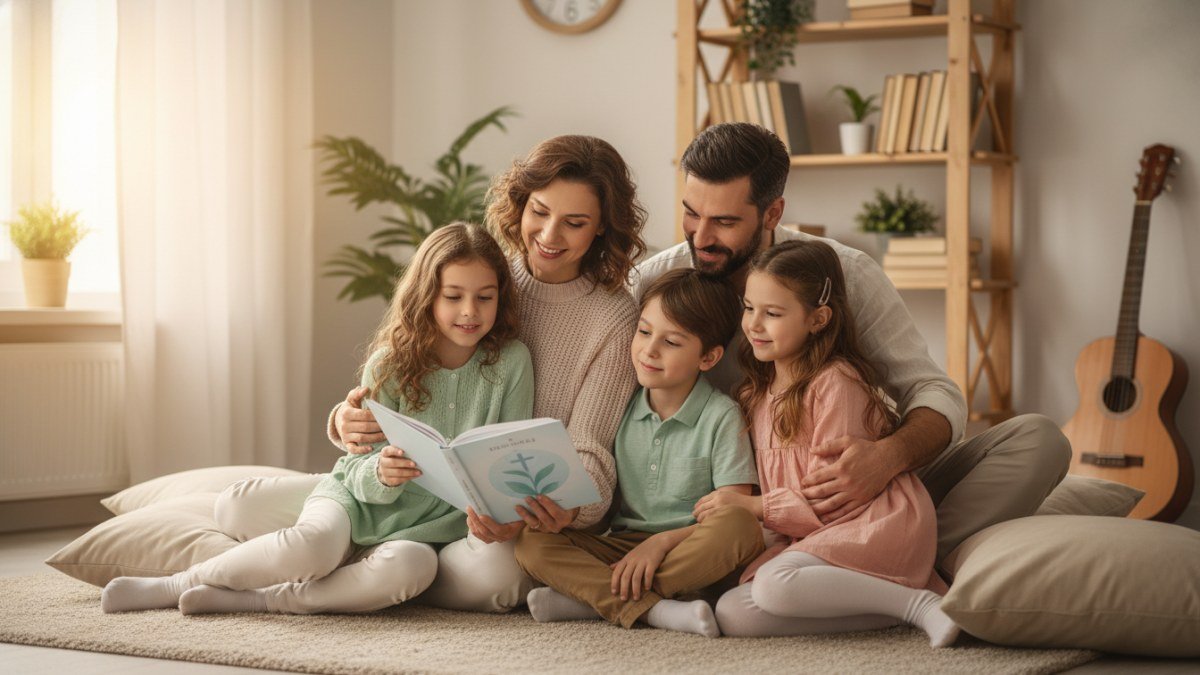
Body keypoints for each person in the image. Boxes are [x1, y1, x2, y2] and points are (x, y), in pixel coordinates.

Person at [631, 122, 1071, 571]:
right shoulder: (654, 281)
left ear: (772, 213)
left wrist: (886, 458)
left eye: (724, 222)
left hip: (852, 494)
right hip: (737, 511)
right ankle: (877, 562)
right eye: (691, 213)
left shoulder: (845, 274)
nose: (700, 238)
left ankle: (885, 554)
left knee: (1038, 439)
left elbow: (932, 391)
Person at [100, 223, 534, 615]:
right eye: (453, 296)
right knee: (311, 546)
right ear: (427, 296)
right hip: (357, 503)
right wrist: (382, 474)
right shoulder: (391, 363)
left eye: (485, 297)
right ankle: (176, 583)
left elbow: (505, 458)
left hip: (426, 535)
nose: (470, 312)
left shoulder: (512, 362)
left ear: (501, 296)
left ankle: (264, 600)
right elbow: (358, 464)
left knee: (410, 567)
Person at [316, 135, 647, 612]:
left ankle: (382, 568)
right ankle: (370, 555)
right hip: (408, 491)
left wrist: (560, 509)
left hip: (501, 519)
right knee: (247, 505)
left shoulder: (612, 321)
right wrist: (346, 421)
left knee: (499, 583)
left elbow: (591, 451)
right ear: (520, 204)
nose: (550, 236)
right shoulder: (488, 276)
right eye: (540, 211)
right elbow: (406, 365)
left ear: (601, 229)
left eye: (574, 223)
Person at [708, 240, 958, 646]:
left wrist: (754, 507)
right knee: (733, 612)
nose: (753, 324)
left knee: (775, 583)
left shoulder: (835, 383)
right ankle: (888, 610)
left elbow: (835, 500)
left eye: (772, 313)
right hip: (815, 539)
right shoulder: (757, 394)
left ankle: (919, 604)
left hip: (871, 526)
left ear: (818, 318)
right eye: (749, 307)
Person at [514, 269, 763, 638]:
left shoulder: (720, 416)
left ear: (708, 357)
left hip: (689, 547)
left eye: (672, 342)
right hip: (623, 544)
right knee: (531, 544)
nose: (649, 350)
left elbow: (734, 509)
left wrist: (660, 543)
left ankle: (593, 600)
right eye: (644, 332)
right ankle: (652, 608)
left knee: (740, 528)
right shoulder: (623, 405)